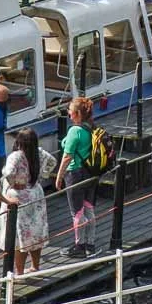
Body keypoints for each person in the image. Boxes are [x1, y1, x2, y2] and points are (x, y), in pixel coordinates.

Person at [0, 128, 50, 274]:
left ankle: (19, 272)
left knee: (21, 237)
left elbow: (8, 172)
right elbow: (52, 161)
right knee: (35, 232)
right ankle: (35, 266)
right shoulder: (39, 152)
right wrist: (41, 176)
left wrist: (14, 183)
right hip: (36, 193)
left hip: (20, 196)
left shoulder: (16, 156)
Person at [55, 96, 98, 257]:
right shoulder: (91, 127)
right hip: (89, 172)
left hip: (74, 174)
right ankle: (90, 244)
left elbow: (67, 157)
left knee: (77, 213)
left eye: (71, 111)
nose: (69, 113)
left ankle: (79, 246)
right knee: (88, 208)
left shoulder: (75, 131)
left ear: (78, 114)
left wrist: (59, 177)